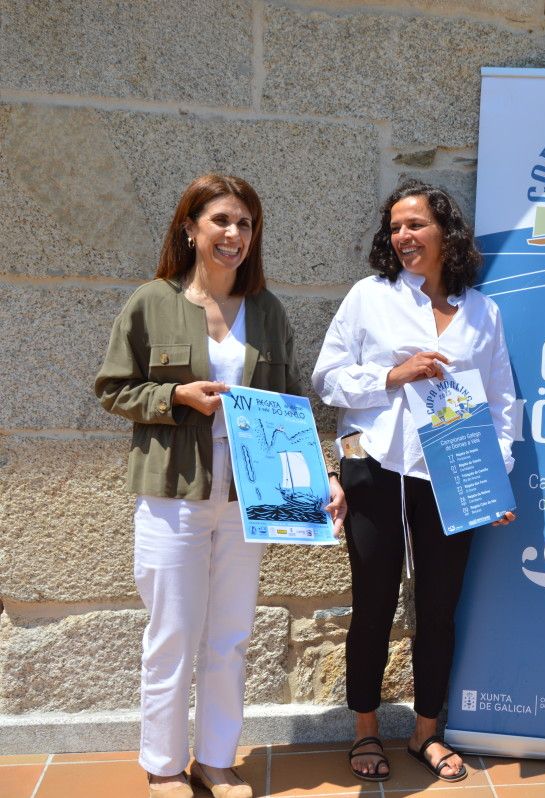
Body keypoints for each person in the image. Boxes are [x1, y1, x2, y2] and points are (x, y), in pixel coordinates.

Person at [95, 174, 346, 798]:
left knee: (231, 634)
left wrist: (320, 475)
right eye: (221, 221)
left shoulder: (267, 311)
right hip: (173, 494)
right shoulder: (152, 300)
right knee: (173, 632)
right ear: (190, 227)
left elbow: (290, 404)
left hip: (248, 498)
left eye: (245, 224)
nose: (234, 235)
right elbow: (113, 388)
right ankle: (162, 764)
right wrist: (175, 395)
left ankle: (215, 759)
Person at [312, 179, 517, 783]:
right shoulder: (368, 297)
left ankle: (427, 732)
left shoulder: (483, 311)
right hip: (376, 470)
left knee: (439, 609)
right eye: (395, 227)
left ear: (445, 233)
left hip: (452, 477)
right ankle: (366, 731)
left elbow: (503, 405)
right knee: (372, 605)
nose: (403, 236)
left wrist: (494, 477)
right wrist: (392, 376)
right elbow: (327, 379)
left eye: (415, 225)